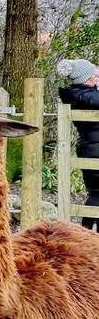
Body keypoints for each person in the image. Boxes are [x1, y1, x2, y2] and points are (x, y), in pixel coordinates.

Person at [57, 58, 99, 231]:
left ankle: (87, 230)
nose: (97, 75)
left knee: (96, 193)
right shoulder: (85, 96)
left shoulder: (79, 93)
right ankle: (88, 231)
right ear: (87, 77)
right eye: (94, 73)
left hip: (90, 148)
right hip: (95, 149)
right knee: (97, 193)